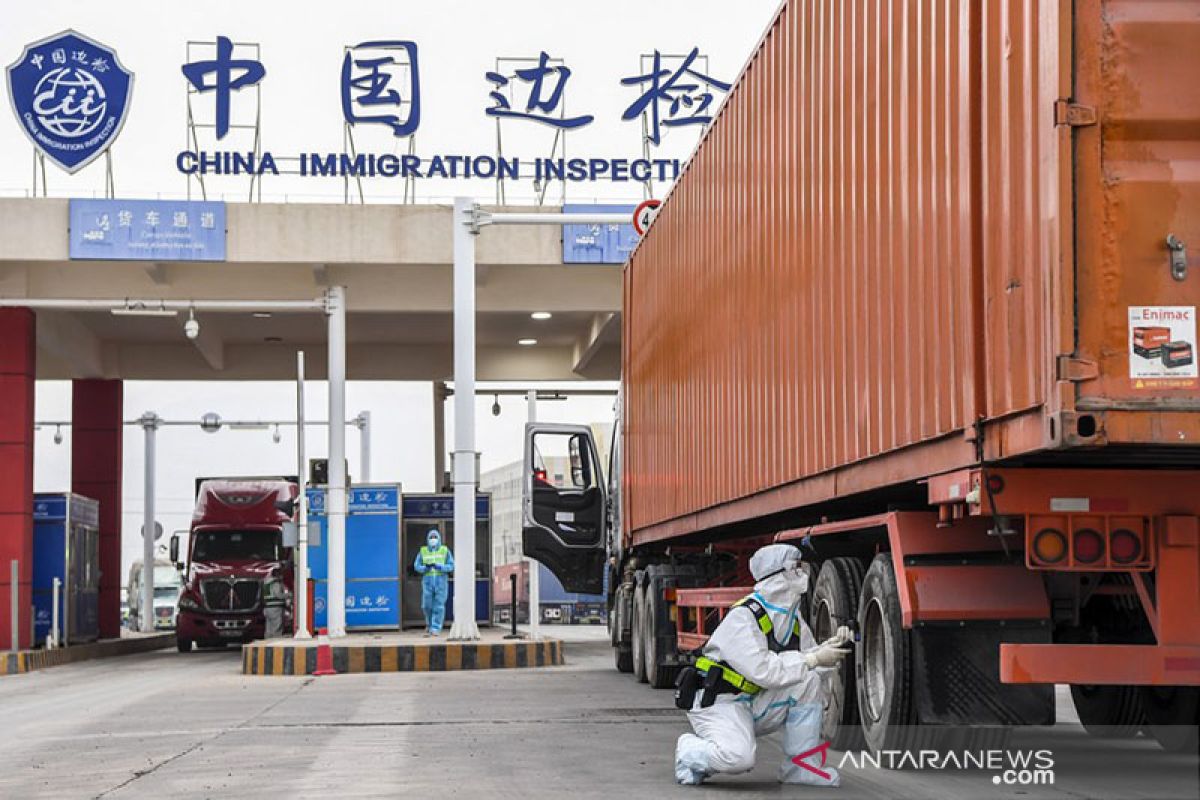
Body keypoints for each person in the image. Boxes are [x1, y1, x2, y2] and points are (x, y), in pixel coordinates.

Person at [674, 543, 852, 787]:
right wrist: (813, 658)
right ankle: (688, 750)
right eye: (795, 567)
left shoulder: (792, 618)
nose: (802, 573)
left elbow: (807, 666)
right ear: (777, 575)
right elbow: (764, 671)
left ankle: (800, 767)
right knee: (739, 758)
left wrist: (832, 648)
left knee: (808, 682)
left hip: (754, 701)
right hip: (720, 702)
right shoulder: (744, 616)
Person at [414, 529, 455, 636]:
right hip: (427, 583)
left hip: (441, 583)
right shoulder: (423, 551)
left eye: (435, 537)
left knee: (439, 605)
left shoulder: (445, 551)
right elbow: (417, 566)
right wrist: (425, 568)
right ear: (427, 539)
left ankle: (436, 627)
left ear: (439, 539)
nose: (433, 540)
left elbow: (451, 566)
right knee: (426, 605)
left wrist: (440, 567)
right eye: (431, 538)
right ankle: (429, 624)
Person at [263, 566, 291, 639]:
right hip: (275, 608)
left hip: (267, 608)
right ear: (278, 575)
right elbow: (278, 595)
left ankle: (267, 642)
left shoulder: (266, 583)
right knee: (277, 627)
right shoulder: (275, 583)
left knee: (269, 628)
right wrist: (289, 595)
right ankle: (276, 642)